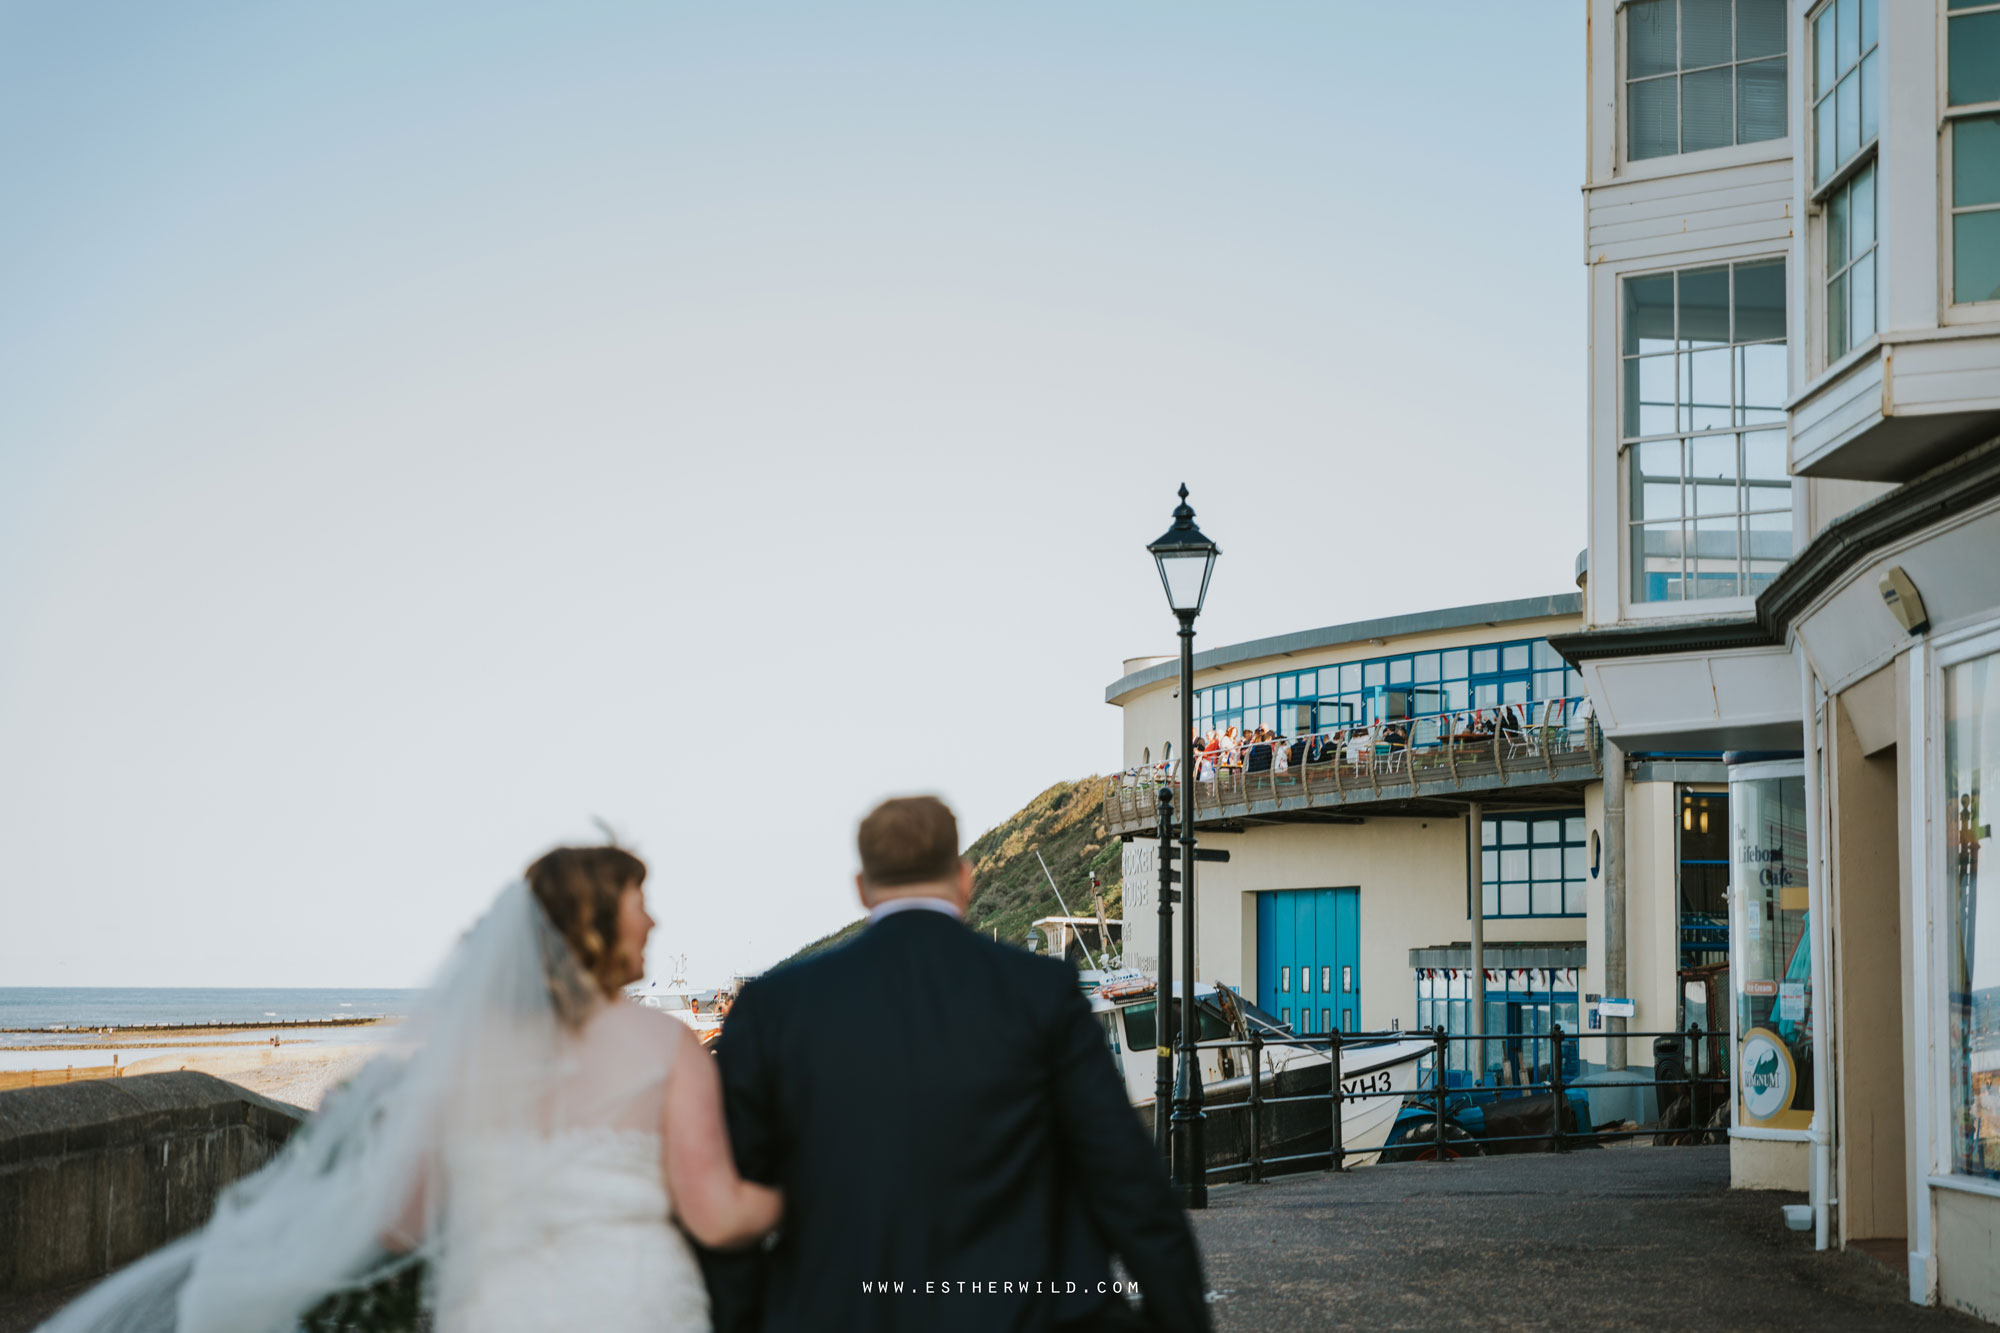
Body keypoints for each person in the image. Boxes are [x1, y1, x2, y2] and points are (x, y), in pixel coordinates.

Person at [39, 846, 778, 1333]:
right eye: (637, 900)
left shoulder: (465, 1055)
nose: (653, 918)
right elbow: (715, 1214)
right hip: (640, 1305)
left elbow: (405, 1224)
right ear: (595, 922)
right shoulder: (661, 1045)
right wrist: (797, 1193)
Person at [704, 796, 1209, 1333]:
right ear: (964, 879)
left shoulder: (775, 1007)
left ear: (862, 888)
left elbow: (729, 1198)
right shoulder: (1040, 994)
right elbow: (1127, 1180)